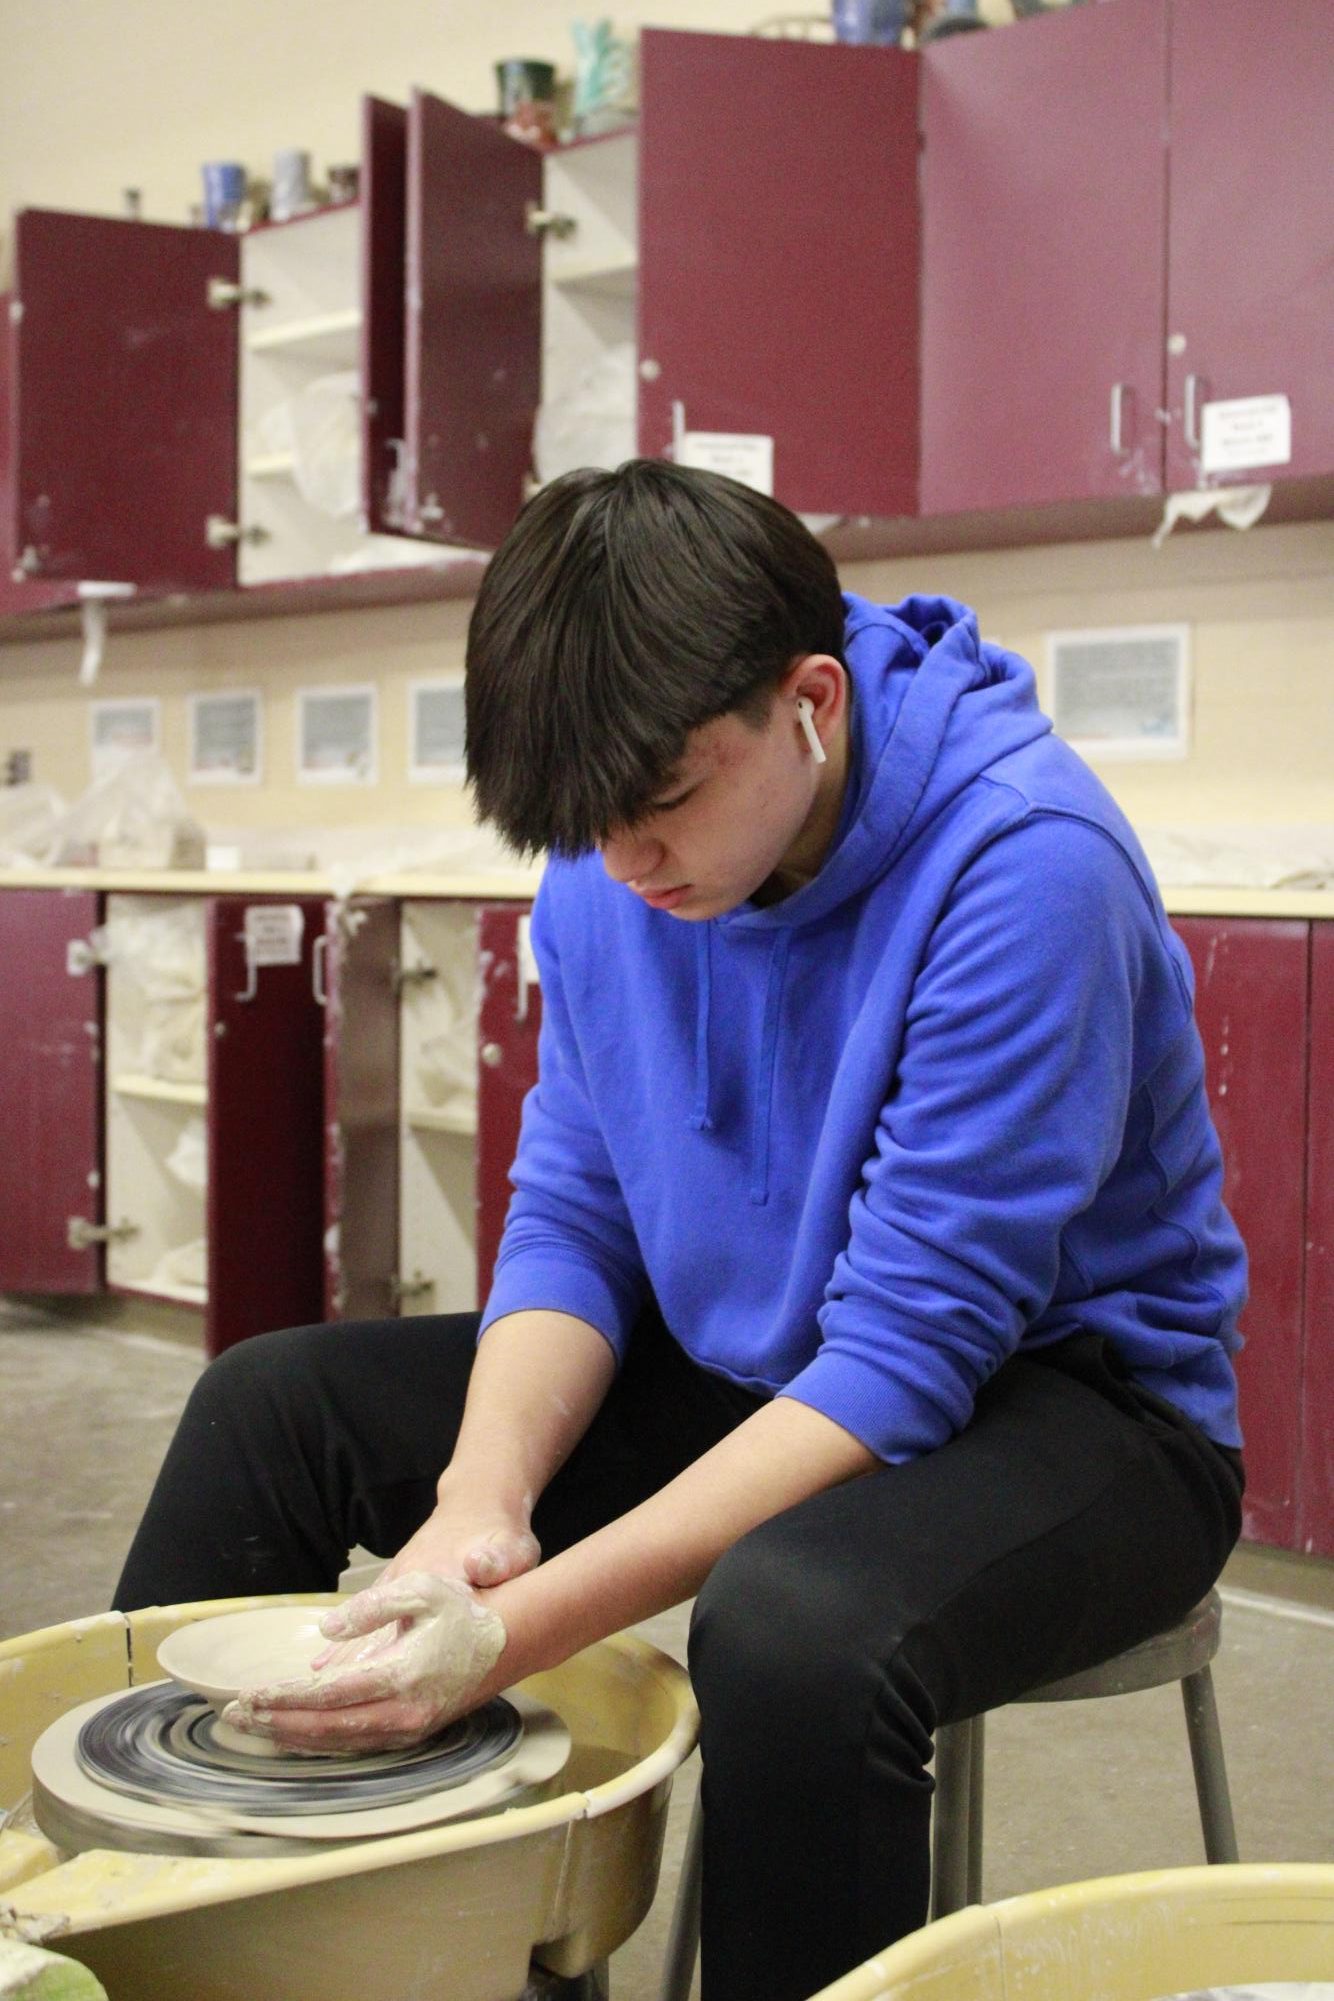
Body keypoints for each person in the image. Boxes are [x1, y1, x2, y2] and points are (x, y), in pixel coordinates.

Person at [115, 462, 1246, 2001]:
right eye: (591, 831)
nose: (630, 868)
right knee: (269, 1407)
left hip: (1079, 1405)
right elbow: (576, 1217)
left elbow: (908, 1355)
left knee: (788, 1629)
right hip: (766, 1353)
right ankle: (160, 1940)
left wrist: (499, 1632)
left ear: (813, 700)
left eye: (661, 809)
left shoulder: (1024, 863)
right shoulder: (610, 867)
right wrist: (476, 1505)